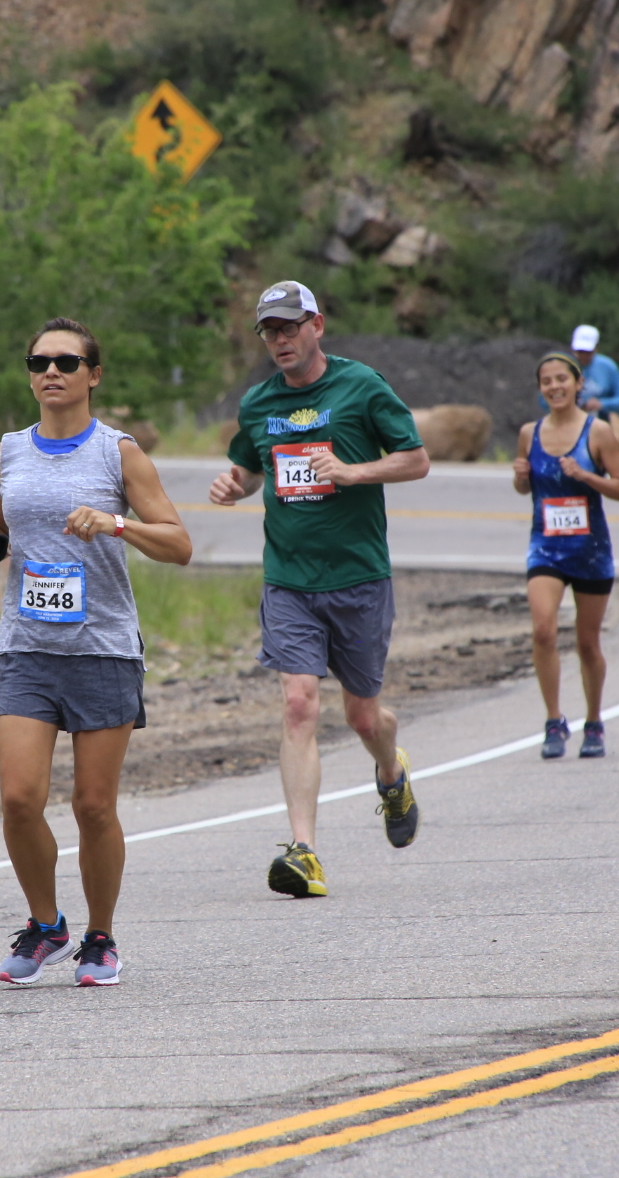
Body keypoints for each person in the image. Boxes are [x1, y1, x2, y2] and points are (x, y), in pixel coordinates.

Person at [0, 318, 192, 987]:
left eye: (66, 362)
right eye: (38, 362)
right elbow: (1, 526)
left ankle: (100, 938)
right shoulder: (6, 453)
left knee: (93, 806)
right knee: (18, 799)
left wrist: (116, 522)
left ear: (93, 375)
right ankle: (46, 926)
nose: (51, 372)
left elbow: (178, 544)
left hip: (103, 650)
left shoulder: (118, 455)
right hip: (27, 647)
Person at [208, 280, 432, 898]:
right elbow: (251, 468)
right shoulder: (259, 403)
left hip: (358, 578)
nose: (280, 340)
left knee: (363, 717)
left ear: (317, 325)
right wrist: (234, 485)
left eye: (290, 327)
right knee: (299, 703)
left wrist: (354, 471)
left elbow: (415, 459)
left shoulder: (361, 386)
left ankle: (390, 770)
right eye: (270, 332)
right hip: (289, 580)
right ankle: (304, 852)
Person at [514, 352, 619, 760]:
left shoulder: (597, 432)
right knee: (543, 631)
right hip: (545, 547)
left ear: (578, 383)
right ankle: (553, 721)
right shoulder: (529, 433)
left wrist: (584, 475)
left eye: (561, 379)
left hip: (591, 551)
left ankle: (594, 722)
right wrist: (520, 478)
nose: (554, 387)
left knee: (587, 643)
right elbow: (525, 488)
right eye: (546, 381)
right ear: (540, 388)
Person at [538, 325, 619, 420]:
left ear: (596, 348)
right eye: (580, 351)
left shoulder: (607, 366)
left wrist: (601, 403)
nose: (583, 355)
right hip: (566, 421)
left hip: (598, 421)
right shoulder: (562, 366)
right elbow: (544, 399)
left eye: (587, 351)